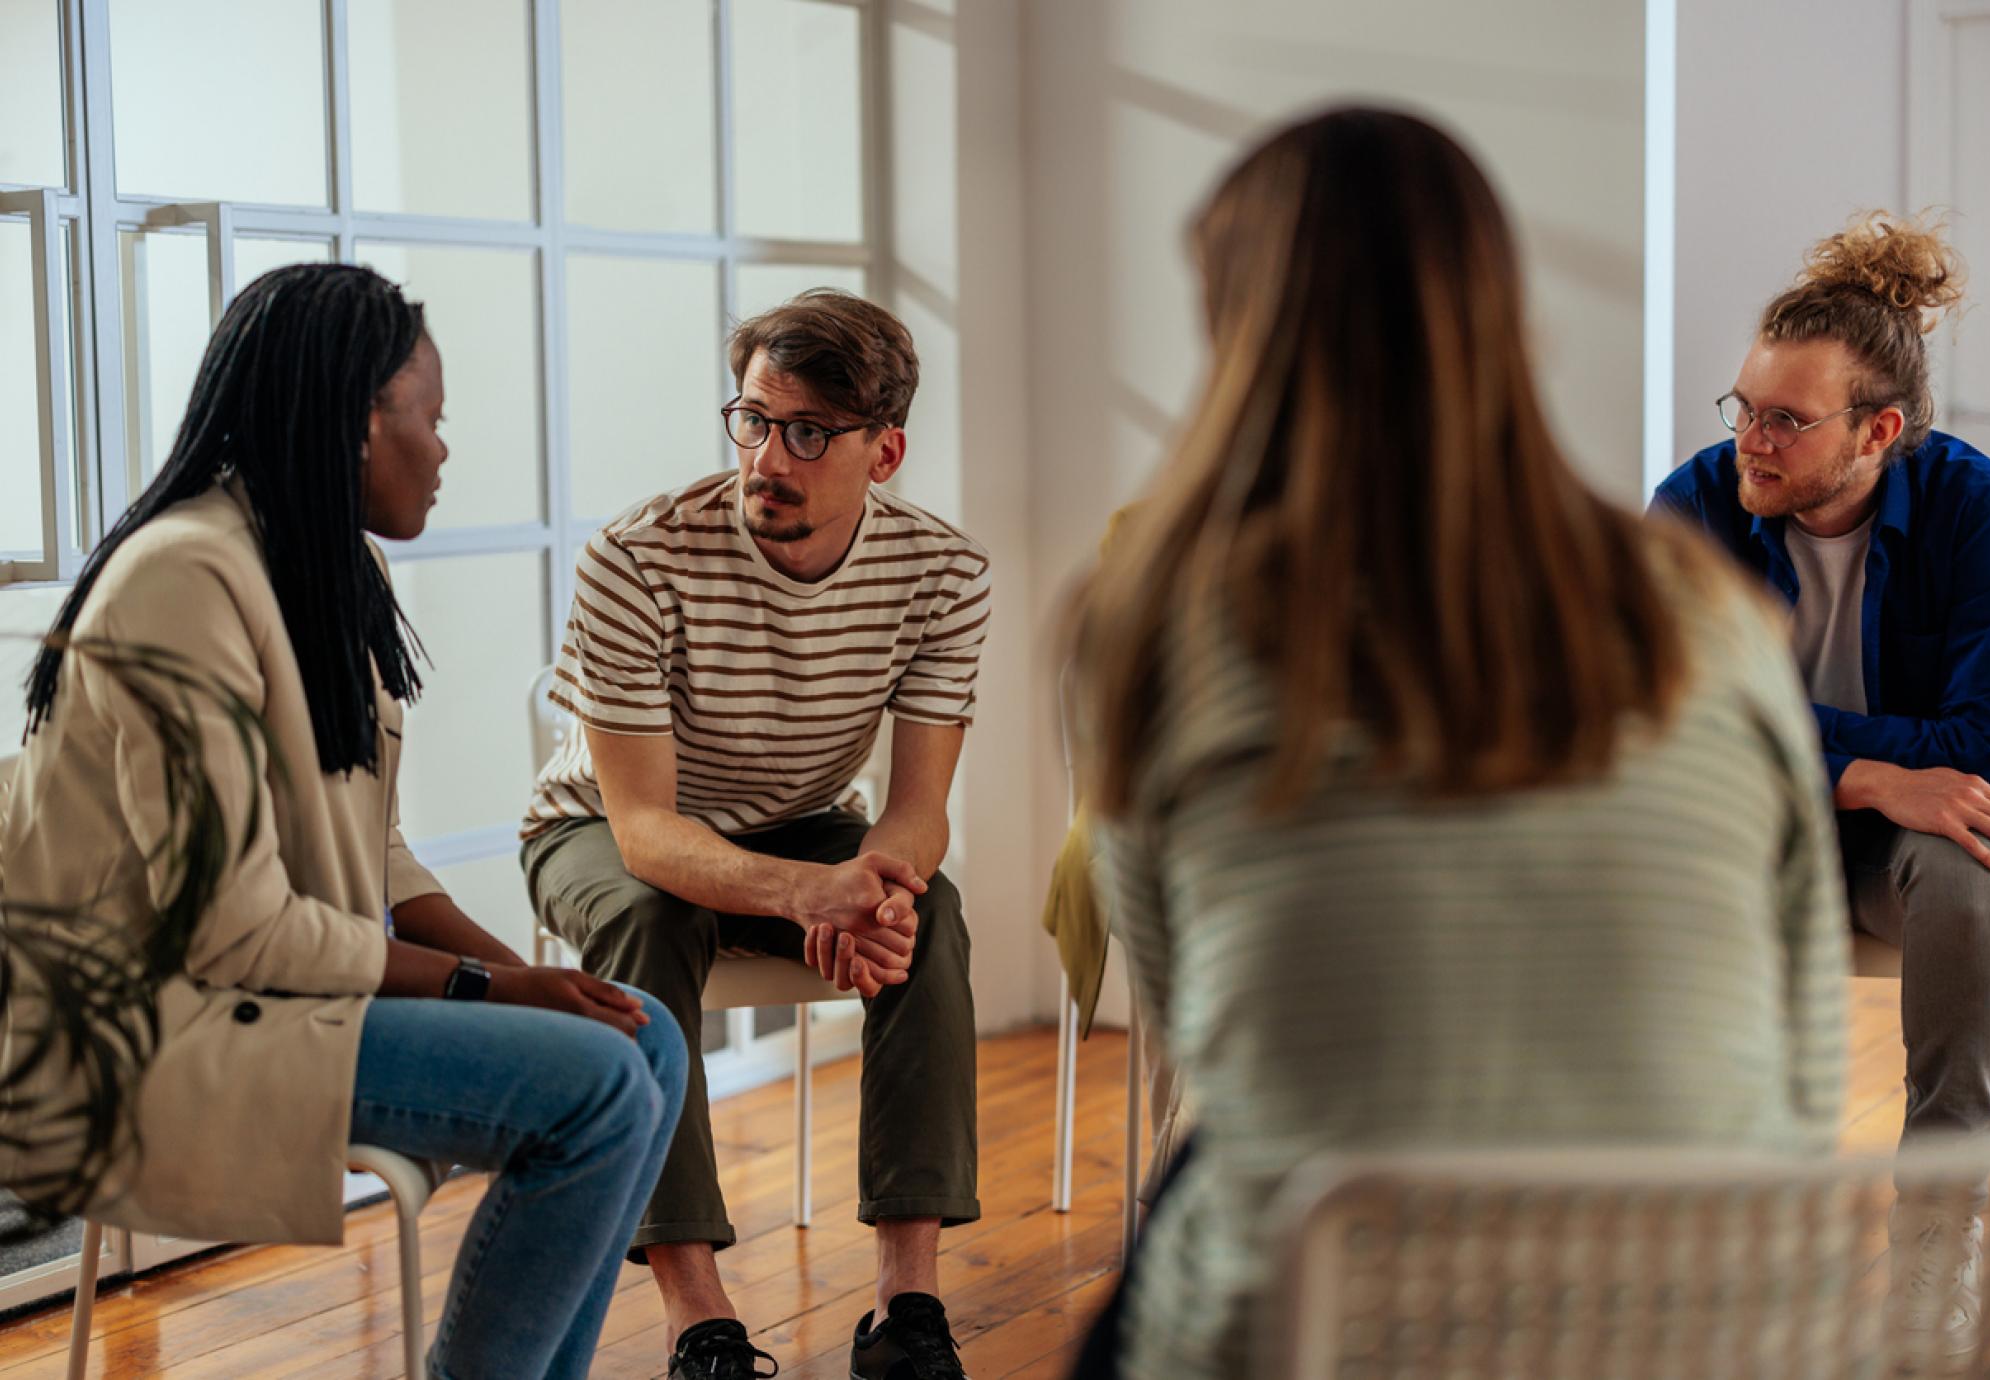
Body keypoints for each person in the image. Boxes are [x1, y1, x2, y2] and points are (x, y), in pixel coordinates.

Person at [1067, 107, 1850, 1380]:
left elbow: (1197, 1027)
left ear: (1233, 327)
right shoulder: (1709, 614)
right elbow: (1806, 1053)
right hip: (1726, 1325)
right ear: (1503, 318)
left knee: (1187, 1209)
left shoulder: (1154, 624)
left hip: (1324, 1327)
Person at [0, 264, 687, 1380]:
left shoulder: (321, 562)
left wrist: (523, 975)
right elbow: (234, 928)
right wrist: (495, 992)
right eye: (432, 416)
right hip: (154, 1028)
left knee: (639, 1033)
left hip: (270, 999)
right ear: (356, 421)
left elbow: (371, 848)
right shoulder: (182, 579)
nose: (444, 447)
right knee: (597, 1090)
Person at [519, 289, 989, 1379]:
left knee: (930, 912)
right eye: (753, 418)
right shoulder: (637, 558)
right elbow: (640, 830)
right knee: (646, 914)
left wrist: (875, 888)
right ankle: (700, 1319)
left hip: (807, 823)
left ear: (884, 453)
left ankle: (906, 1307)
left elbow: (918, 807)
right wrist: (800, 895)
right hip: (602, 829)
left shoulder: (943, 573)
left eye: (810, 433)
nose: (768, 457)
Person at [1651, 212, 1990, 1360]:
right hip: (1753, 837)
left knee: (1970, 865)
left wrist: (1824, 754)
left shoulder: (1973, 510)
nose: (1749, 439)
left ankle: (1933, 1274)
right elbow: (1680, 728)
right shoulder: (1690, 507)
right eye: (1741, 408)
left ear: (1876, 431)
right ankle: (1710, 1253)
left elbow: (1979, 743)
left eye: (1784, 421)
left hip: (1911, 855)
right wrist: (1867, 773)